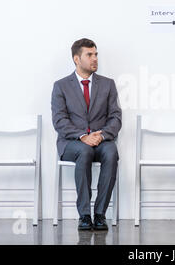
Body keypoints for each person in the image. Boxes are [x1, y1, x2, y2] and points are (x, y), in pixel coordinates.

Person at [51, 38, 122, 231]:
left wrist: (103, 135)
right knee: (85, 151)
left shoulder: (108, 85)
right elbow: (59, 120)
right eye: (89, 55)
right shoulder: (61, 86)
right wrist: (82, 136)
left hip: (101, 139)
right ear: (76, 58)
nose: (95, 59)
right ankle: (84, 214)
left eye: (96, 54)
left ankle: (99, 214)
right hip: (71, 143)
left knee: (111, 152)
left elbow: (116, 116)